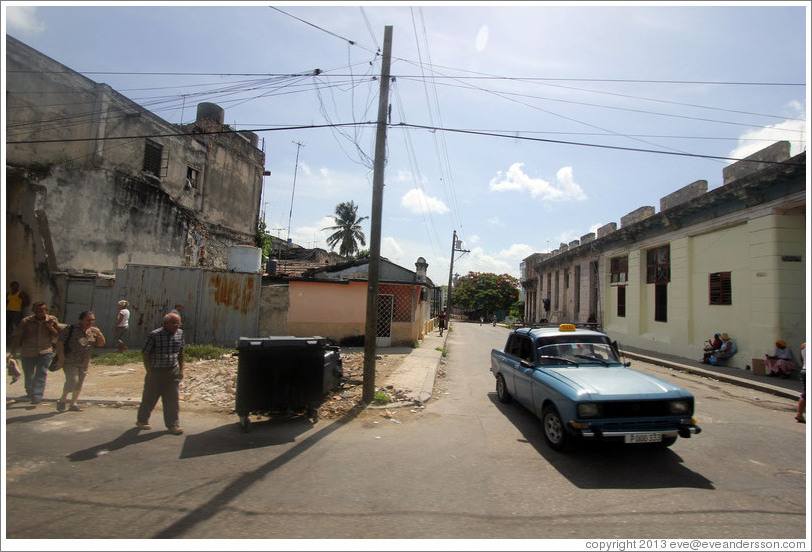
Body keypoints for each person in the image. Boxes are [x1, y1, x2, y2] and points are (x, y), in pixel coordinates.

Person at [136, 312, 185, 435]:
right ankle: (142, 420)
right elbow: (146, 353)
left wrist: (181, 369)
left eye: (179, 323)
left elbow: (181, 352)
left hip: (172, 371)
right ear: (165, 323)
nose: (177, 326)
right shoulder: (155, 335)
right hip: (156, 372)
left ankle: (173, 424)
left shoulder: (179, 333)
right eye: (174, 323)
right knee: (149, 398)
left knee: (172, 399)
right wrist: (149, 371)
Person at [9, 301, 61, 404]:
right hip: (28, 352)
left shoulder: (52, 320)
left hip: (45, 351)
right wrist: (13, 353)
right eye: (37, 311)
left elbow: (57, 335)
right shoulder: (26, 321)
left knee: (41, 373)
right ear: (33, 311)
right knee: (29, 374)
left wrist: (50, 327)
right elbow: (17, 337)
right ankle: (30, 391)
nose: (39, 313)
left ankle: (37, 395)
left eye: (42, 311)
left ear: (46, 310)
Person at [55, 311, 106, 412]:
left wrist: (99, 334)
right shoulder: (71, 329)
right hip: (70, 361)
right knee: (73, 381)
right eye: (88, 320)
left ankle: (73, 403)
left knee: (79, 383)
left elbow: (101, 344)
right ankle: (62, 399)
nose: (90, 322)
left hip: (84, 362)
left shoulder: (93, 331)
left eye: (92, 320)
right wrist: (61, 358)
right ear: (81, 320)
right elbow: (60, 343)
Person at [795, 343, 805, 423]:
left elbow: (801, 359)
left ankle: (799, 414)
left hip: (804, 370)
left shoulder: (803, 345)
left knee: (805, 394)